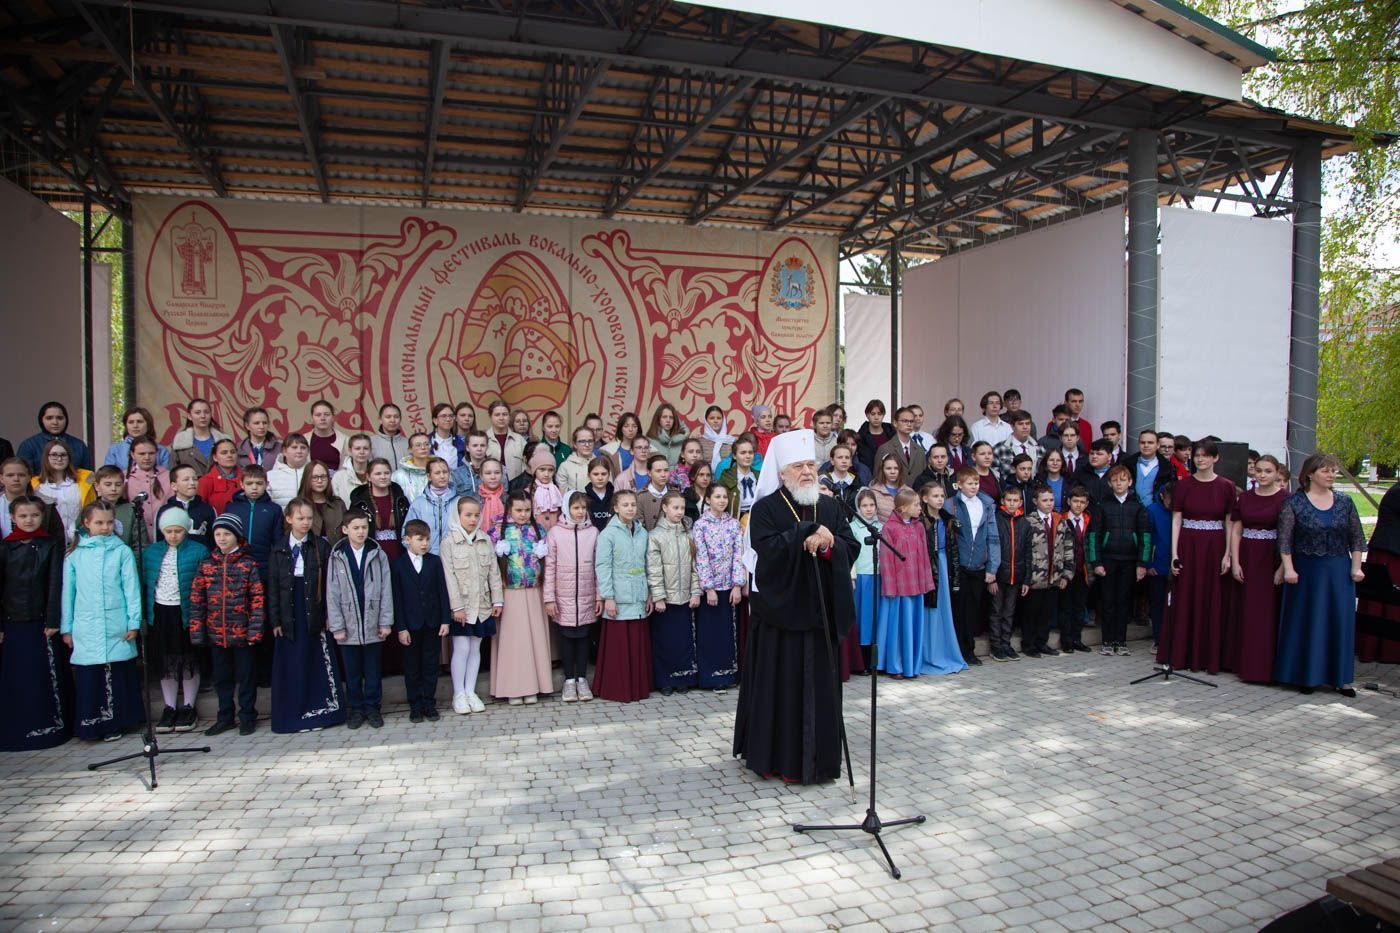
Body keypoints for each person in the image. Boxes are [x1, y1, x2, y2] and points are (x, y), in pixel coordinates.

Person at [733, 429, 859, 784]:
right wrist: (806, 532)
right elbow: (767, 552)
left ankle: (819, 762)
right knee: (781, 691)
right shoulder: (765, 509)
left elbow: (850, 545)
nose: (806, 472)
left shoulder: (831, 506)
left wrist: (829, 544)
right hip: (780, 619)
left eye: (810, 465)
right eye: (798, 467)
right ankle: (777, 760)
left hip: (819, 615)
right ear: (782, 472)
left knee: (820, 691)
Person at [1274, 454, 1366, 696]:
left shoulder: (1345, 501)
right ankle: (1307, 676)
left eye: (1333, 471)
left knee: (1340, 621)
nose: (1331, 475)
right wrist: (1289, 568)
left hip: (1339, 570)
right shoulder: (1294, 503)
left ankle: (1342, 679)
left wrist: (1356, 567)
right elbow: (1285, 540)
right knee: (1309, 620)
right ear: (1310, 474)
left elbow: (1357, 537)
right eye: (1325, 470)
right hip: (1307, 571)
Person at [61, 502, 143, 741]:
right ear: (86, 523)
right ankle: (92, 724)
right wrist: (67, 628)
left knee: (116, 672)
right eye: (99, 523)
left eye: (109, 522)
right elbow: (68, 594)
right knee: (91, 675)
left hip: (115, 622)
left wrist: (133, 622)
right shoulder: (74, 555)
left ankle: (118, 722)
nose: (105, 527)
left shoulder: (121, 551)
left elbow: (131, 589)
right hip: (86, 624)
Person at [1158, 440, 1238, 674]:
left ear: (1215, 458)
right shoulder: (1183, 485)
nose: (1200, 459)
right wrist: (1174, 553)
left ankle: (1209, 656)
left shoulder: (1227, 486)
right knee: (1185, 596)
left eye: (1205, 455)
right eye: (1197, 455)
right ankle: (1181, 654)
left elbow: (1229, 521)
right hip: (1188, 544)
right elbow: (1176, 519)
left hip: (1215, 545)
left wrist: (1227, 554)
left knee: (1212, 597)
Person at [268, 498, 345, 734]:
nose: (305, 522)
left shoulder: (320, 547)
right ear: (289, 519)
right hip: (289, 613)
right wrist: (276, 620)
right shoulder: (279, 549)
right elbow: (273, 587)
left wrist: (330, 614)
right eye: (300, 518)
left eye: (309, 518)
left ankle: (320, 712)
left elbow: (330, 584)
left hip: (314, 610)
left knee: (316, 661)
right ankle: (292, 716)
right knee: (293, 663)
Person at [0, 495, 71, 750]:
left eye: (34, 515)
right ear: (12, 518)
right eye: (23, 516)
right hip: (13, 621)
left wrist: (52, 618)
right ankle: (17, 730)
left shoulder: (50, 545)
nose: (29, 520)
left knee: (43, 676)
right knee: (18, 677)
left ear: (42, 517)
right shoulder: (5, 547)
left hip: (41, 622)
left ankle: (49, 729)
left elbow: (54, 583)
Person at [190, 513, 266, 736]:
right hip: (217, 634)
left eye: (227, 534)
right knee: (222, 678)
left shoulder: (248, 563)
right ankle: (225, 716)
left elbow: (257, 599)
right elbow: (197, 599)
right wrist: (197, 631)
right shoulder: (206, 564)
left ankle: (247, 716)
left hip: (242, 634)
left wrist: (254, 631)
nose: (222, 538)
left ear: (237, 536)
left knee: (246, 677)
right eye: (218, 534)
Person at [141, 507, 208, 734]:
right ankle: (169, 706)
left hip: (186, 612)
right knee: (166, 661)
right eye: (168, 531)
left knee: (188, 659)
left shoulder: (198, 551)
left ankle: (188, 705)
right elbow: (146, 583)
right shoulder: (151, 553)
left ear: (185, 530)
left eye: (178, 531)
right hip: (161, 612)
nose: (173, 535)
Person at [327, 512, 393, 728]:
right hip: (348, 624)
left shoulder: (377, 554)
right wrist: (337, 626)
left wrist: (385, 622)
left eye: (364, 527)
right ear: (345, 529)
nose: (361, 532)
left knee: (372, 670)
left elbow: (386, 589)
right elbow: (332, 593)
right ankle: (356, 709)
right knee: (352, 672)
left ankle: (373, 708)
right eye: (356, 528)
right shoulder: (337, 555)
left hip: (372, 621)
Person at [490, 491, 553, 705]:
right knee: (513, 641)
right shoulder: (497, 531)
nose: (523, 514)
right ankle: (512, 688)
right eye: (518, 510)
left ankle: (535, 685)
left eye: (527, 510)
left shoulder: (538, 530)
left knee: (534, 639)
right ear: (509, 509)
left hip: (534, 590)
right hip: (509, 592)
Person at [441, 497, 503, 714]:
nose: (473, 519)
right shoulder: (449, 542)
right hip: (462, 607)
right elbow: (449, 577)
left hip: (482, 605)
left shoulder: (485, 540)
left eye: (476, 515)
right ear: (457, 515)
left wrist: (497, 599)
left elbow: (494, 572)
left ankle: (470, 691)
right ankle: (458, 693)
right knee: (462, 648)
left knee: (475, 647)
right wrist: (456, 607)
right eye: (468, 515)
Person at [1230, 455, 1287, 682]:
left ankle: (1266, 667)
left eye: (1268, 471)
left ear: (1277, 473)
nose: (1262, 475)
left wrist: (1282, 567)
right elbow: (1236, 530)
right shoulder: (1245, 497)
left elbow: (1289, 535)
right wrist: (1235, 561)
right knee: (1245, 609)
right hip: (1247, 555)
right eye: (1259, 470)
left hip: (1271, 557)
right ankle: (1243, 664)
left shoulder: (1285, 499)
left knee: (1266, 612)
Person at [593, 489, 653, 702]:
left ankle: (637, 687)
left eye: (633, 505)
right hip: (619, 598)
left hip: (638, 595)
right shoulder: (607, 534)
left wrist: (649, 594)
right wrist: (608, 596)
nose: (630, 509)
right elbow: (602, 566)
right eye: (625, 505)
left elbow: (647, 565)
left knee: (636, 645)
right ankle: (617, 688)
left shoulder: (642, 533)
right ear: (616, 508)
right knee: (619, 647)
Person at [391, 519, 452, 723]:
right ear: (407, 540)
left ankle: (429, 703)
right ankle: (415, 705)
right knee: (412, 667)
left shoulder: (434, 562)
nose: (425, 544)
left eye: (427, 539)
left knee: (430, 665)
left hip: (432, 623)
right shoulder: (398, 565)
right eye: (420, 539)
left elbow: (442, 592)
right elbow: (397, 599)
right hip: (410, 625)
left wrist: (445, 620)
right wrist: (401, 628)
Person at [1090, 466, 1151, 656]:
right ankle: (1107, 641)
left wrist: (1142, 564)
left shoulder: (1137, 506)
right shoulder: (1103, 506)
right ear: (1109, 483)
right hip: (1108, 560)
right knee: (1108, 601)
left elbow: (1145, 536)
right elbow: (1094, 535)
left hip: (1129, 561)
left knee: (1124, 602)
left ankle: (1121, 641)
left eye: (1123, 480)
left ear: (1130, 482)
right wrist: (1096, 562)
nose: (1119, 483)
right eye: (1115, 480)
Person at [544, 492, 600, 702]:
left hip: (586, 595)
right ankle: (569, 681)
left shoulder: (593, 532)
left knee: (584, 637)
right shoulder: (555, 533)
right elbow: (549, 567)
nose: (580, 512)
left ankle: (582, 680)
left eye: (583, 508)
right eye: (576, 508)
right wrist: (549, 598)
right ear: (567, 508)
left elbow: (599, 567)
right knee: (567, 638)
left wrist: (600, 596)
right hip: (563, 596)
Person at [874, 488, 933, 678]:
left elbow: (924, 556)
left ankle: (912, 664)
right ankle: (896, 665)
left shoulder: (919, 527)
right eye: (916, 505)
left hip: (916, 585)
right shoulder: (889, 528)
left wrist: (926, 582)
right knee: (898, 628)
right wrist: (890, 587)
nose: (920, 508)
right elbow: (886, 561)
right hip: (899, 588)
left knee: (913, 626)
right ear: (903, 508)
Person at [646, 491, 699, 695]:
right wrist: (658, 596)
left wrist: (695, 592)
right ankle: (665, 680)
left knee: (683, 640)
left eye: (682, 508)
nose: (679, 512)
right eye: (675, 508)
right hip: (665, 600)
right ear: (664, 508)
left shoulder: (688, 534)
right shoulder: (655, 536)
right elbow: (654, 569)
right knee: (664, 641)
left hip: (685, 597)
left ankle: (682, 677)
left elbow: (695, 566)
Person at [691, 484, 744, 692]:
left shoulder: (733, 524)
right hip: (711, 590)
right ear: (708, 500)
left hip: (729, 588)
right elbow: (700, 557)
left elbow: (738, 554)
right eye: (717, 497)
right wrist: (709, 588)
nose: (722, 500)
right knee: (710, 633)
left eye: (724, 497)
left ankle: (727, 674)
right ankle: (710, 677)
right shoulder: (700, 525)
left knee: (727, 633)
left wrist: (737, 585)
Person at [946, 466, 998, 666]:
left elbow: (993, 538)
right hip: (958, 566)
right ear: (959, 485)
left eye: (976, 483)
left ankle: (969, 650)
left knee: (972, 610)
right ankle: (958, 649)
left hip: (978, 565)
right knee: (958, 609)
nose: (974, 486)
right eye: (969, 483)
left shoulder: (986, 505)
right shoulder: (951, 505)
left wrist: (992, 568)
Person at [918, 482, 966, 675]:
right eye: (935, 496)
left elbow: (954, 549)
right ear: (925, 498)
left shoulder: (948, 520)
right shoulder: (920, 521)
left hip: (944, 565)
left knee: (944, 610)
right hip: (928, 566)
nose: (939, 499)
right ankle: (928, 654)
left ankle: (945, 651)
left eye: (941, 496)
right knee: (929, 610)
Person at [1356, 484, 1400, 664]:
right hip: (1390, 551)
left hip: (1392, 550)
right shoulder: (1397, 492)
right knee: (1386, 600)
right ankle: (1385, 650)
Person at [988, 485, 1028, 661]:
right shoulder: (996, 520)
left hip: (1016, 575)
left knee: (1009, 612)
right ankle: (996, 646)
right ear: (1003, 501)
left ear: (1020, 502)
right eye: (1009, 500)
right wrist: (991, 577)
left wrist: (1026, 579)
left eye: (1015, 501)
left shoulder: (1024, 523)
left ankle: (1006, 644)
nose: (1012, 504)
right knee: (996, 611)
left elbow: (1028, 552)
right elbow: (990, 547)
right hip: (998, 575)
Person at [1055, 486, 1095, 654]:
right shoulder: (1061, 519)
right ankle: (1067, 641)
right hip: (1066, 571)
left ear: (1087, 504)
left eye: (1082, 502)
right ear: (1069, 501)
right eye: (1075, 501)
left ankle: (1077, 639)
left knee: (1079, 606)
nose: (1078, 505)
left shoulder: (1089, 520)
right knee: (1066, 606)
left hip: (1084, 570)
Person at [31, 441, 94, 542]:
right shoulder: (36, 485)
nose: (59, 459)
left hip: (81, 539)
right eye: (54, 455)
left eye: (63, 455)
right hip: (50, 541)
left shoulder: (83, 482)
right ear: (46, 457)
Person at [350, 459, 409, 564]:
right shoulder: (359, 502)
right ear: (368, 477)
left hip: (399, 556)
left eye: (386, 473)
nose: (383, 477)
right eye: (378, 474)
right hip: (370, 558)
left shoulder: (400, 500)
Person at [403, 458, 459, 555]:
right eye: (437, 473)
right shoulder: (419, 503)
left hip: (454, 557)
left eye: (445, 472)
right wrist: (420, 554)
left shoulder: (459, 502)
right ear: (429, 476)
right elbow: (406, 534)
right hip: (426, 557)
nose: (442, 476)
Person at [121, 438, 170, 545]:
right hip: (135, 539)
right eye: (142, 454)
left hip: (165, 537)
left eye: (151, 453)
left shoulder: (168, 476)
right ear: (132, 454)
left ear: (157, 453)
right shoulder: (123, 477)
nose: (147, 457)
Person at [19, 402, 92, 473]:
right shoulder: (28, 446)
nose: (55, 422)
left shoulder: (79, 445)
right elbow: (23, 475)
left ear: (66, 420)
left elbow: (89, 475)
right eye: (49, 418)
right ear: (41, 420)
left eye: (60, 418)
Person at [1144, 483, 1173, 650]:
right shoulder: (1152, 511)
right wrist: (1148, 563)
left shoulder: (1179, 511)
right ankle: (1158, 638)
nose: (1172, 503)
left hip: (1174, 564)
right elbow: (1146, 538)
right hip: (1157, 565)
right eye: (1170, 499)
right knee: (1157, 603)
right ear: (1162, 496)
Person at [169, 398, 229, 476]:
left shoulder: (224, 440)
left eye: (206, 412)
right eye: (197, 413)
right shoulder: (179, 442)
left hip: (221, 483)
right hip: (191, 483)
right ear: (189, 416)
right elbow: (172, 473)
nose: (203, 416)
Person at [105, 407, 171, 470]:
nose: (135, 426)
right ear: (126, 426)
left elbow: (165, 475)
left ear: (148, 425)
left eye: (139, 422)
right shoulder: (115, 450)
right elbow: (108, 475)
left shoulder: (161, 450)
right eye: (131, 422)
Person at [875, 407, 927, 479]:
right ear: (895, 423)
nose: (909, 424)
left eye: (911, 421)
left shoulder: (920, 451)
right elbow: (877, 477)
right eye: (905, 421)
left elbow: (924, 478)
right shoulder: (884, 449)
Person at [717, 437, 761, 519]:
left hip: (757, 517)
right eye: (743, 453)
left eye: (750, 452)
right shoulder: (727, 476)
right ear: (734, 456)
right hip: (734, 519)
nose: (748, 456)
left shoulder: (759, 476)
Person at [485, 400, 527, 479]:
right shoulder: (484, 439)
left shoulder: (520, 440)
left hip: (516, 485)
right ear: (490, 416)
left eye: (505, 414)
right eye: (497, 415)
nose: (501, 418)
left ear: (509, 416)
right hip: (490, 485)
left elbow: (526, 467)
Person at [197, 439, 242, 514]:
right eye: (224, 453)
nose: (229, 455)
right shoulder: (205, 481)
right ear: (215, 457)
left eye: (233, 452)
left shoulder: (246, 478)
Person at [306, 400, 349, 473]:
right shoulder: (304, 440)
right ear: (312, 419)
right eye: (318, 415)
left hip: (338, 479)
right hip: (311, 479)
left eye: (327, 414)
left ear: (333, 418)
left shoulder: (345, 440)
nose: (322, 418)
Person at [526, 447, 564, 531]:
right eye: (542, 469)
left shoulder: (559, 492)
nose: (546, 474)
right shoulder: (528, 492)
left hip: (556, 533)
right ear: (535, 471)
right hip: (535, 534)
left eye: (550, 470)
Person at [332, 434, 373, 508]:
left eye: (365, 448)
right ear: (350, 451)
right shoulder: (339, 477)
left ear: (370, 451)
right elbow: (335, 505)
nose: (362, 452)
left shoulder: (377, 475)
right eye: (357, 448)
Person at [818, 444, 861, 515]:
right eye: (840, 457)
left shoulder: (858, 483)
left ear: (851, 462)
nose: (844, 461)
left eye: (847, 457)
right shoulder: (824, 481)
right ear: (832, 460)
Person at [870, 453, 911, 523]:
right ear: (882, 470)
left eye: (896, 468)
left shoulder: (909, 492)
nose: (892, 472)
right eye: (888, 468)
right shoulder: (873, 492)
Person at [855, 399, 892, 473]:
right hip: (867, 475)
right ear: (867, 415)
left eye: (879, 414)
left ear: (883, 415)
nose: (876, 417)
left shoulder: (891, 434)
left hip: (888, 475)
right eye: (873, 414)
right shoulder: (860, 437)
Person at [556, 426, 597, 494]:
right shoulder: (565, 467)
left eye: (590, 441)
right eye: (582, 441)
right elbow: (563, 494)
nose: (587, 445)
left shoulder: (601, 464)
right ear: (574, 444)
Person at [699, 405, 736, 471]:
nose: (715, 421)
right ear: (706, 421)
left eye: (719, 418)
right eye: (712, 418)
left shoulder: (731, 441)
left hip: (727, 476)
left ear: (723, 420)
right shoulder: (699, 442)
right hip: (706, 476)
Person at [429, 403, 463, 469]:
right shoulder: (427, 441)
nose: (448, 419)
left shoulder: (461, 442)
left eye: (451, 416)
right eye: (443, 416)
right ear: (435, 420)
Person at [584, 458, 615, 531]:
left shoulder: (616, 499)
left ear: (609, 475)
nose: (600, 478)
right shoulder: (583, 499)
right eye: (596, 474)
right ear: (589, 475)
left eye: (604, 474)